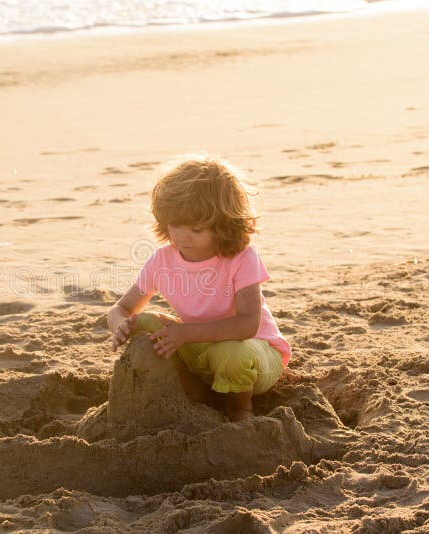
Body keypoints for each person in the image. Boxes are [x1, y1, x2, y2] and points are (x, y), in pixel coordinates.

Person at [106, 154, 291, 422]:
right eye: (175, 224)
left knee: (232, 355)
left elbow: (247, 325)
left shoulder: (241, 258)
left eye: (195, 228)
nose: (182, 236)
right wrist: (120, 324)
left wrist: (186, 333)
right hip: (201, 348)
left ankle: (239, 409)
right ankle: (200, 392)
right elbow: (121, 307)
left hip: (254, 354)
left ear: (223, 225)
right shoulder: (162, 260)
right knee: (143, 322)